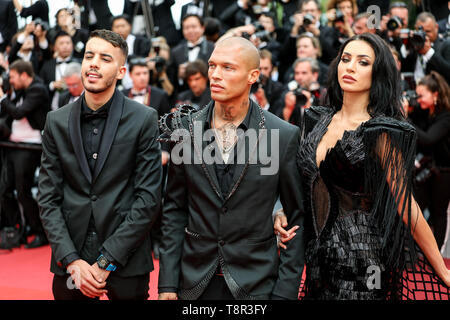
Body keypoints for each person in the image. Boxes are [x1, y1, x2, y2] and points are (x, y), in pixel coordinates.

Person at [275, 33, 450, 299]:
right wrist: (281, 213)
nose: (351, 67)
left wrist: (443, 269)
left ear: (377, 73)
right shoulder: (314, 119)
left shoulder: (380, 131)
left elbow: (407, 206)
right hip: (317, 258)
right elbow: (302, 184)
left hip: (363, 261)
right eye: (346, 59)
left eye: (363, 62)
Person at [158, 36, 305, 300]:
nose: (215, 75)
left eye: (228, 68)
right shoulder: (185, 131)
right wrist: (167, 284)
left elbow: (295, 219)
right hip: (194, 282)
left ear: (253, 76)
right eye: (212, 66)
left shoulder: (281, 135)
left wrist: (284, 293)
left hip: (256, 284)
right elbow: (174, 210)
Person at [38, 29, 162, 300]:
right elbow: (48, 198)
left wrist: (107, 262)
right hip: (71, 259)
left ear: (121, 72)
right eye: (88, 56)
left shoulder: (144, 119)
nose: (93, 62)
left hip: (126, 256)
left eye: (105, 58)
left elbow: (148, 199)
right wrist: (71, 260)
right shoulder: (56, 121)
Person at [0, 59, 50, 249]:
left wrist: (2, 98)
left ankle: (39, 231)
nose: (10, 80)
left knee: (23, 191)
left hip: (30, 147)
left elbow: (18, 112)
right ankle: (17, 229)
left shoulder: (37, 89)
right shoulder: (19, 89)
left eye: (13, 77)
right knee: (4, 190)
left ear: (23, 75)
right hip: (13, 145)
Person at [406, 71, 450, 252]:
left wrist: (405, 119)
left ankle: (436, 257)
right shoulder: (424, 113)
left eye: (421, 95)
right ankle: (409, 253)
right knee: (415, 211)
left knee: (438, 213)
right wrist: (409, 112)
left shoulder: (447, 116)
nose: (418, 99)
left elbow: (428, 139)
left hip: (444, 171)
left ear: (436, 95)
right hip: (424, 169)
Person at [39, 31, 79, 111]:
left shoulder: (79, 64)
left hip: (76, 108)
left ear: (72, 46)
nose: (65, 46)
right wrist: (52, 85)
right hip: (52, 108)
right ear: (54, 47)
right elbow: (40, 87)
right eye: (61, 43)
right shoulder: (47, 66)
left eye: (68, 43)